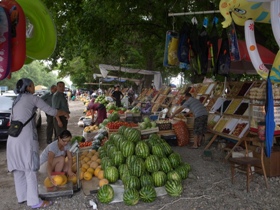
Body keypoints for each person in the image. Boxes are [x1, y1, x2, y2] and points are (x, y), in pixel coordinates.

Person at [6, 78, 70, 208]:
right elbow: (51, 111)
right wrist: (64, 112)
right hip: (25, 139)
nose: (34, 87)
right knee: (30, 169)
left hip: (13, 139)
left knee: (19, 169)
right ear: (29, 87)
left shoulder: (16, 100)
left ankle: (23, 197)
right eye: (33, 85)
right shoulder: (31, 98)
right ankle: (35, 201)